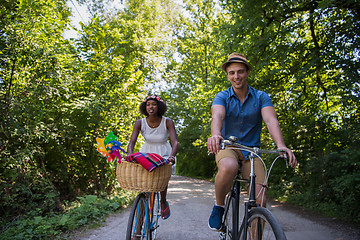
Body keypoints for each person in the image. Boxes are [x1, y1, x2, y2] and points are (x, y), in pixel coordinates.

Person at [207, 53, 297, 231]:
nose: (236, 76)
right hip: (229, 147)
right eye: (232, 73)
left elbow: (271, 121)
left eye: (240, 71)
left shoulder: (261, 97)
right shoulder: (222, 96)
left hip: (252, 151)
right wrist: (216, 134)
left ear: (247, 72)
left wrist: (281, 145)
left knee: (260, 200)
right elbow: (217, 115)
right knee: (229, 167)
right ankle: (219, 205)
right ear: (227, 75)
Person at [127, 95, 178, 220]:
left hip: (164, 152)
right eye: (148, 104)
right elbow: (132, 141)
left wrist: (172, 156)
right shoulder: (140, 122)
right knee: (144, 189)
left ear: (159, 106)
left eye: (154, 104)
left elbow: (175, 142)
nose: (151, 106)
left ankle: (163, 201)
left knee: (162, 177)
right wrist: (129, 154)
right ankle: (138, 230)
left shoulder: (167, 122)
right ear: (145, 107)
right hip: (147, 152)